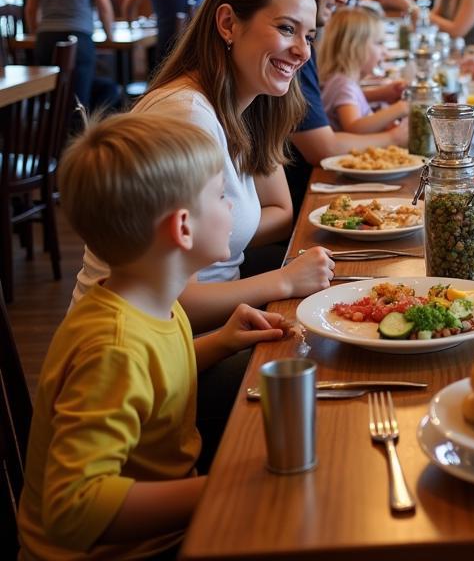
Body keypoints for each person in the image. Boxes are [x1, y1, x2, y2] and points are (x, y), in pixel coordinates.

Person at [18, 112, 293, 560]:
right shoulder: (112, 346)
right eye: (221, 195)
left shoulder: (145, 300)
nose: (231, 207)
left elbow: (154, 375)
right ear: (182, 228)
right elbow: (73, 510)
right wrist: (228, 486)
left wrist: (222, 341)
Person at [72, 0, 334, 332]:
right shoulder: (184, 116)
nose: (302, 51)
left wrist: (220, 233)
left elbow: (280, 210)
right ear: (228, 23)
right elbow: (172, 301)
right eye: (286, 28)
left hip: (207, 323)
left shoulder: (245, 102)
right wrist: (286, 280)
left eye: (308, 36)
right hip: (144, 350)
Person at [270, 0, 408, 213]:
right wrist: (396, 138)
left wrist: (377, 95)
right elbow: (322, 148)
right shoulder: (288, 54)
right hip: (304, 200)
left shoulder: (299, 43)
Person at [319, 7, 407, 134]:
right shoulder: (343, 85)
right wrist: (401, 108)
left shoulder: (345, 81)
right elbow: (354, 127)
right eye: (379, 43)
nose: (385, 52)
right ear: (355, 47)